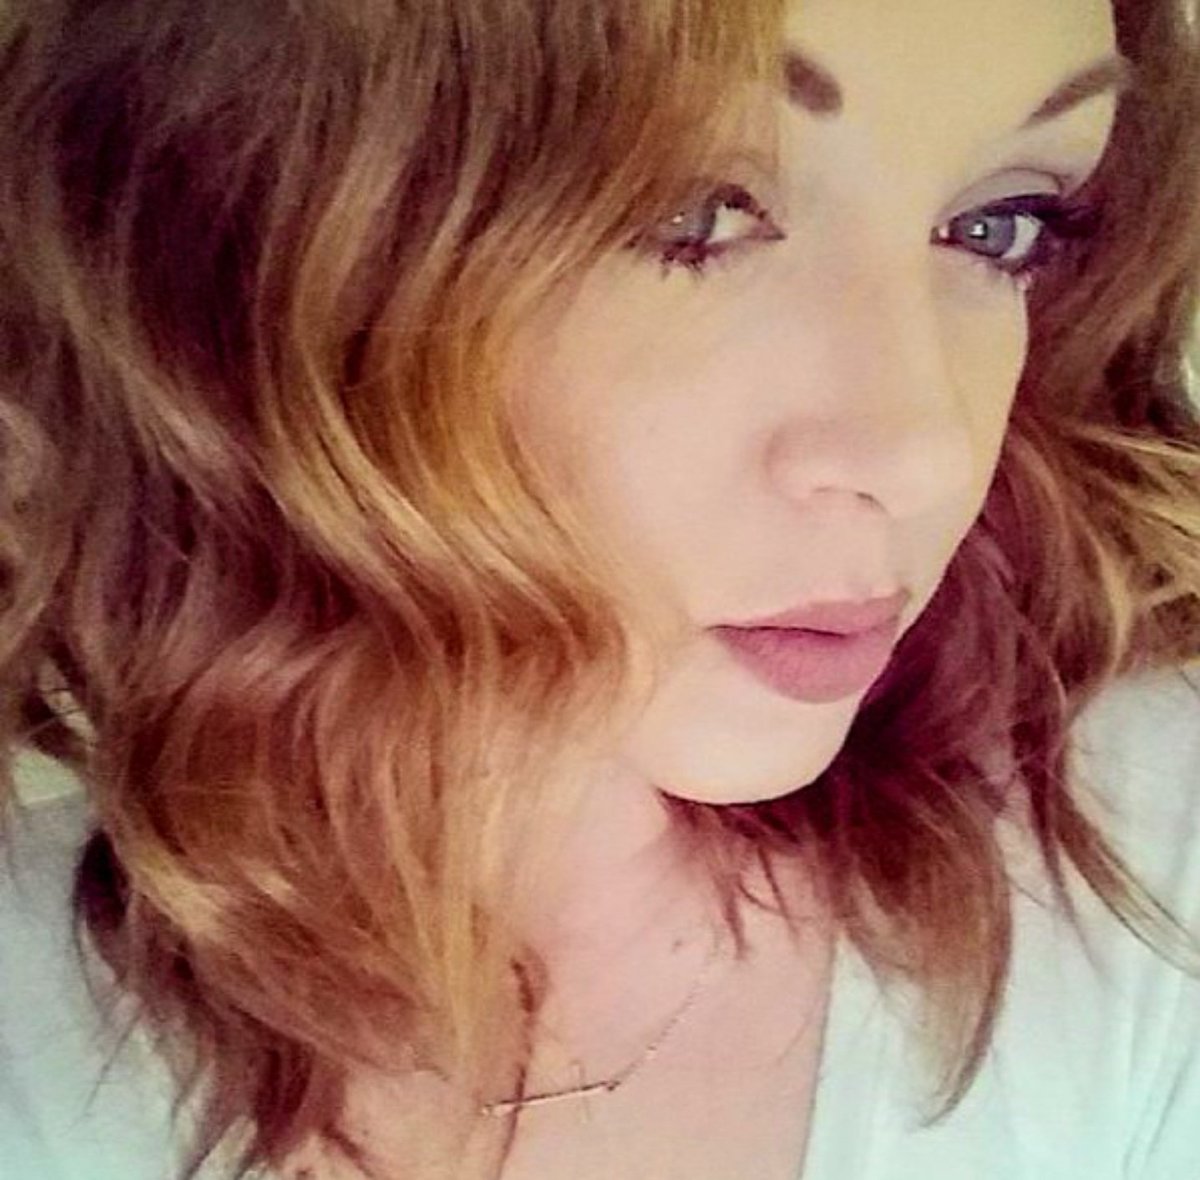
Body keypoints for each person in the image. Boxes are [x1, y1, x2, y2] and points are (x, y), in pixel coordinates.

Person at [1, 0, 1199, 1177]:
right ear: (240, 229)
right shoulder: (34, 1038)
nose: (924, 452)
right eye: (695, 214)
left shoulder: (1146, 880)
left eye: (1001, 227)